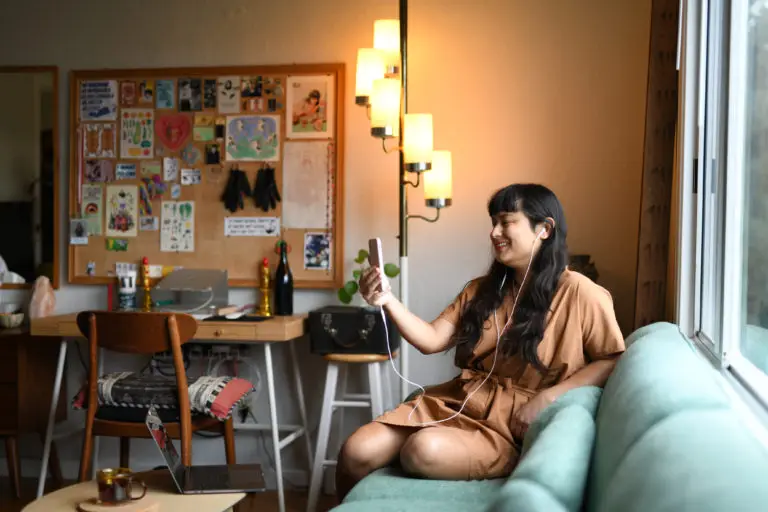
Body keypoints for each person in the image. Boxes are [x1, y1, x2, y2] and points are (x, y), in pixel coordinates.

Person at [335, 183, 626, 499]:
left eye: (506, 221)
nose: (494, 232)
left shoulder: (582, 293)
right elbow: (431, 339)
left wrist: (550, 397)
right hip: (458, 402)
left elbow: (611, 358)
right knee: (356, 451)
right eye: (493, 222)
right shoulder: (481, 290)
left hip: (510, 424)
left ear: (544, 229)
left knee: (422, 450)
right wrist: (387, 300)